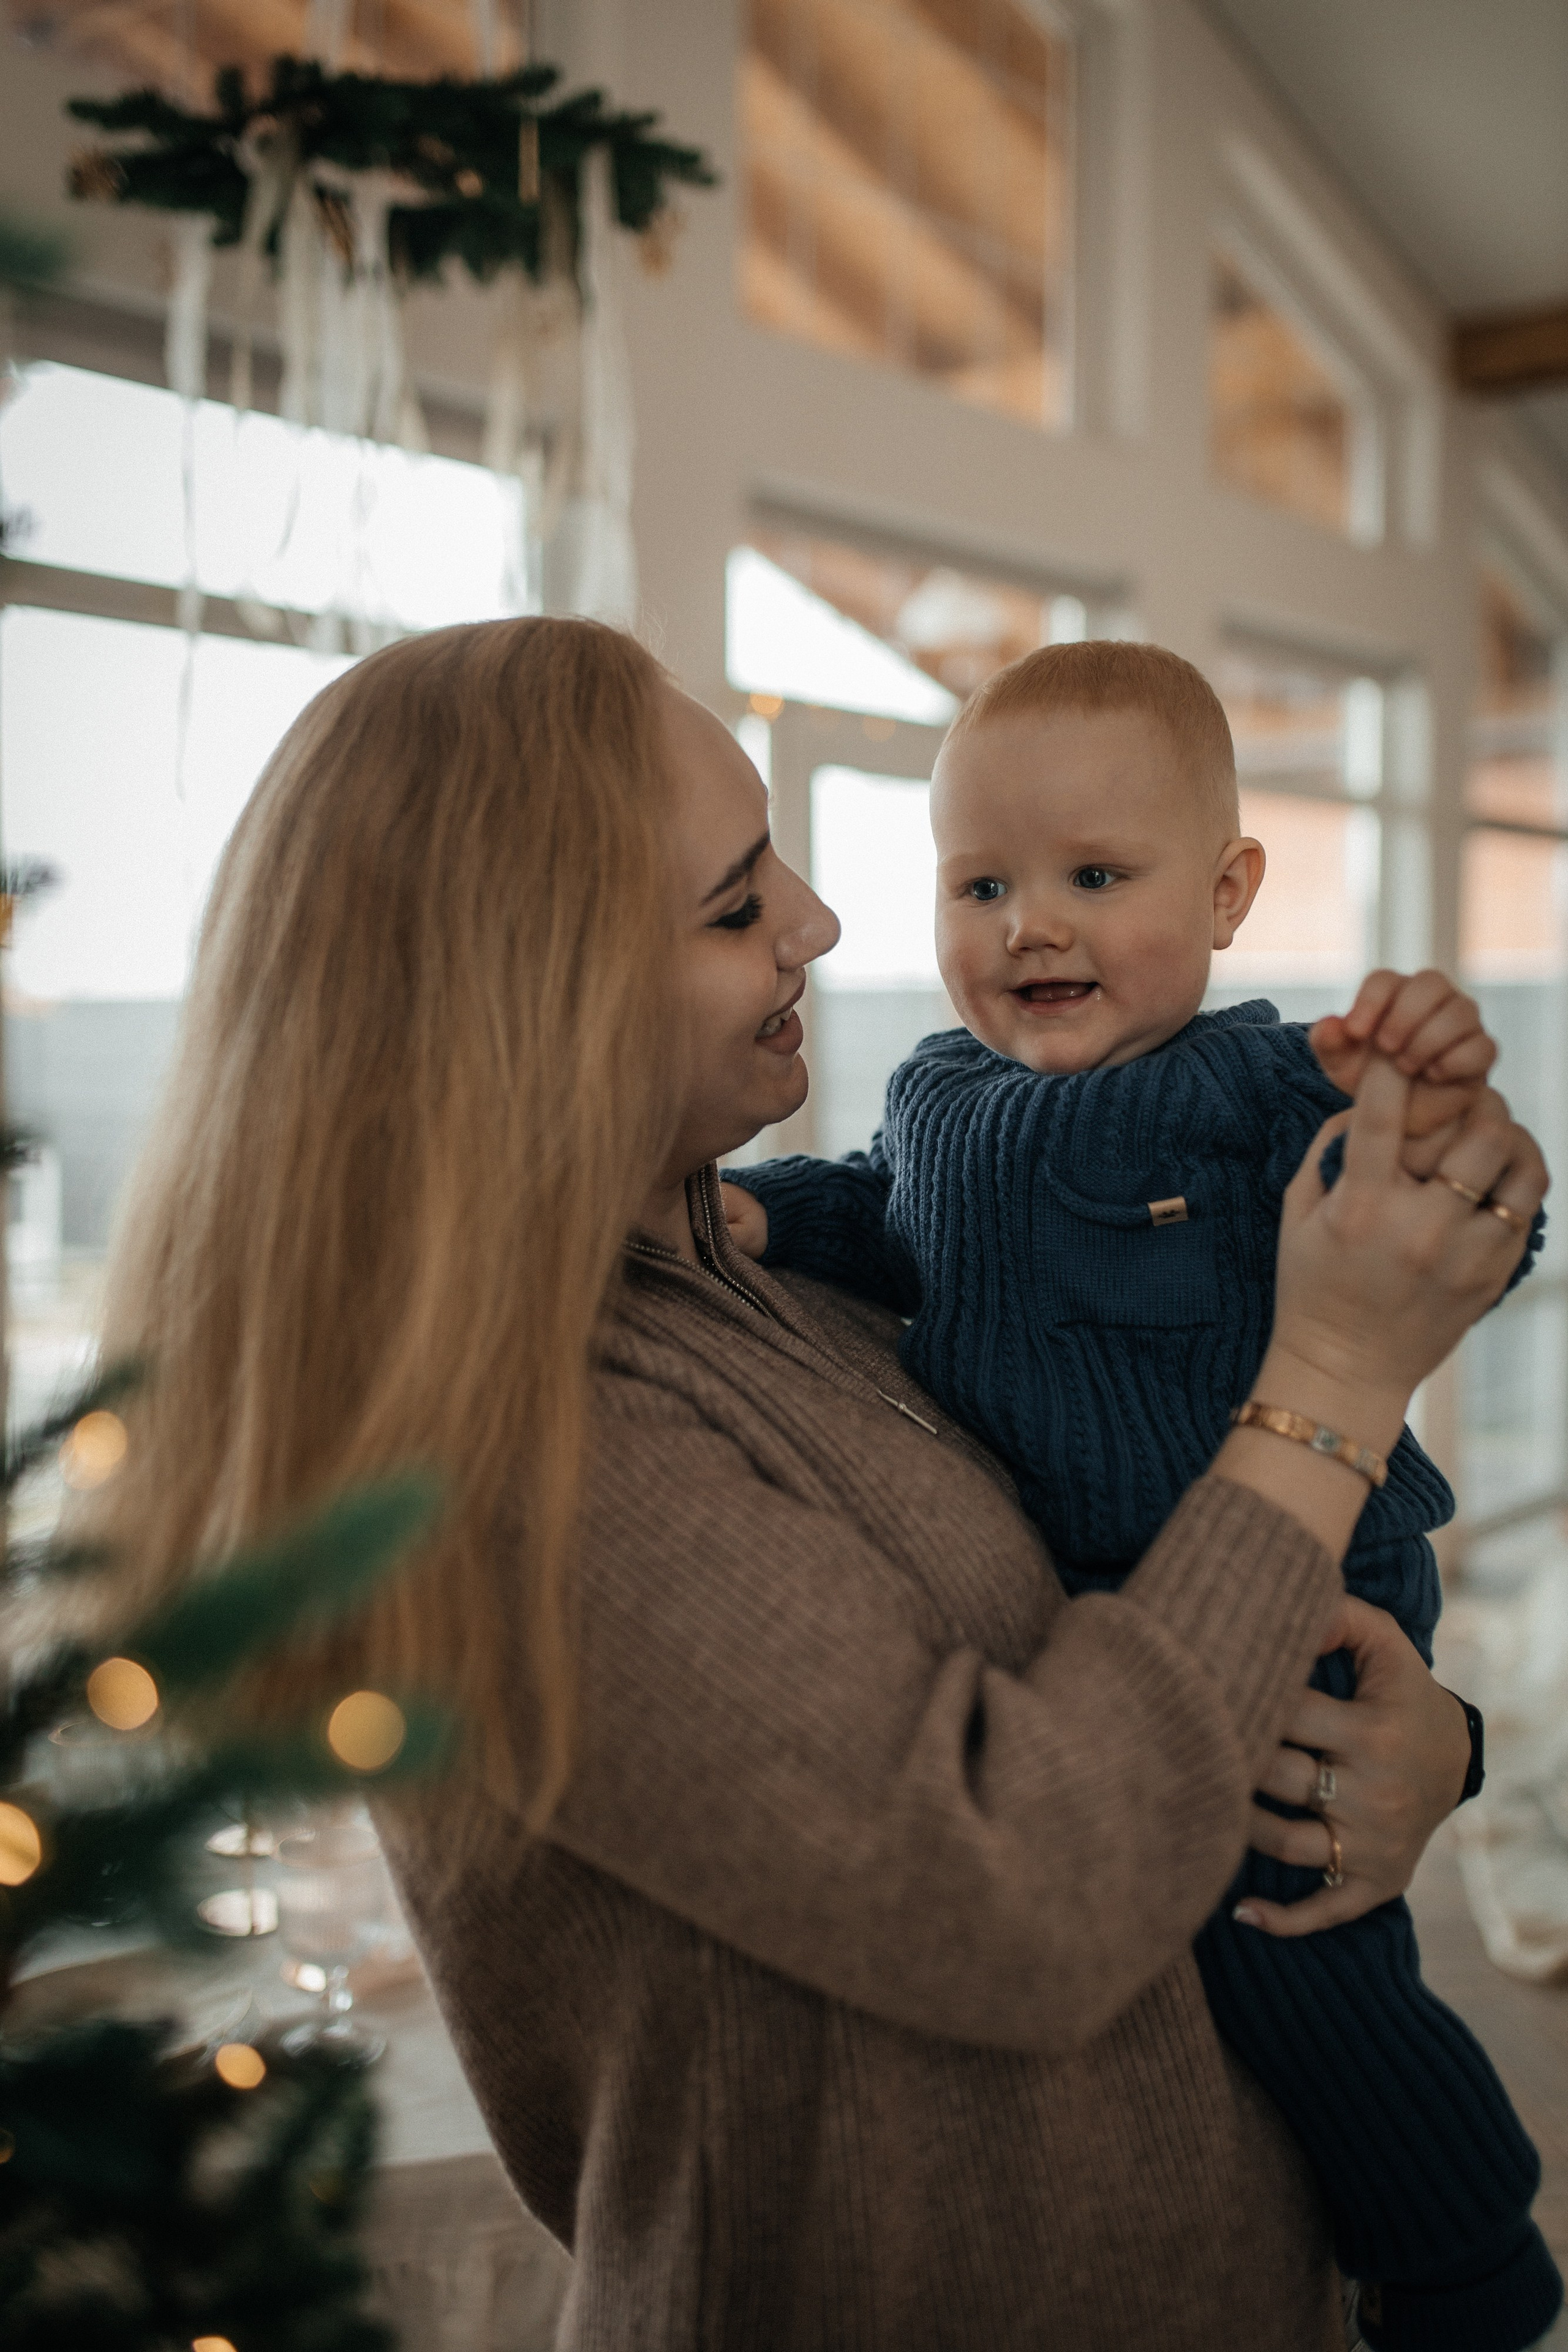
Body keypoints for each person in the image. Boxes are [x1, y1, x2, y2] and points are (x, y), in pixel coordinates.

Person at [83, 619, 1550, 2351]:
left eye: (775, 854)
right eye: (731, 905)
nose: (824, 922)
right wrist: (1333, 1388)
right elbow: (1027, 1887)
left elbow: (1134, 1620)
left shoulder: (763, 1278)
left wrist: (1422, 1747)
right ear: (531, 993)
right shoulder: (516, 1454)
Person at [720, 641, 1559, 2351]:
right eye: (985, 882)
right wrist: (761, 1221)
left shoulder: (1269, 1090)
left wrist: (1447, 1102)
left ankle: (1468, 2256)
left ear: (1232, 892)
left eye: (1098, 878)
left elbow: (1470, 1223)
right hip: (1117, 1602)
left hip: (1311, 1574)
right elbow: (892, 1218)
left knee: (1283, 1943)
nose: (1033, 925)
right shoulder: (939, 1099)